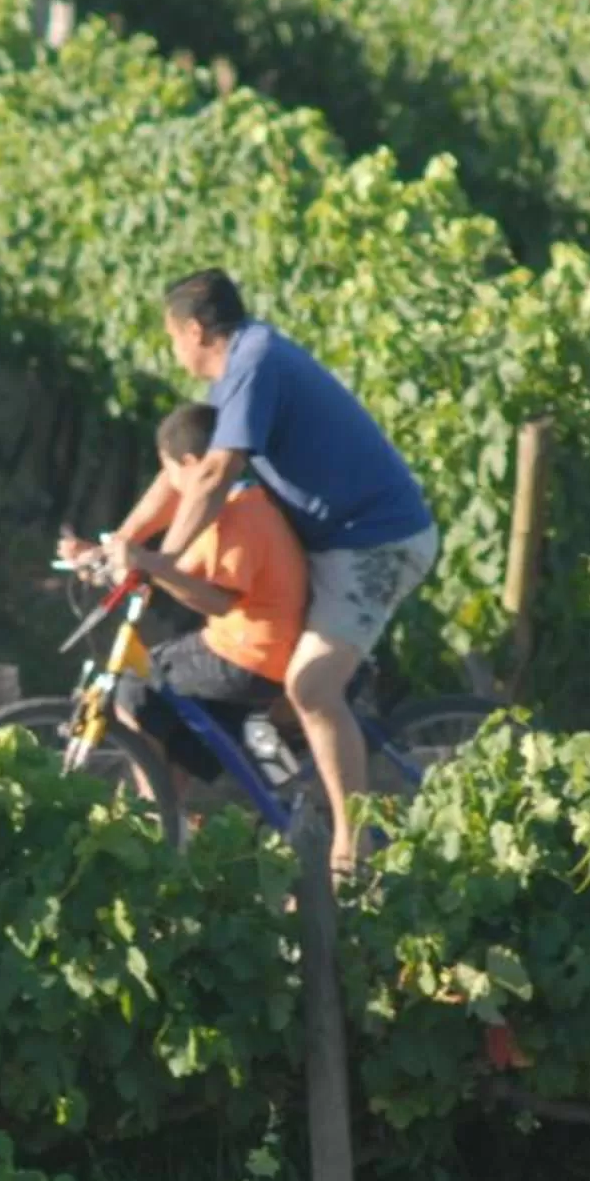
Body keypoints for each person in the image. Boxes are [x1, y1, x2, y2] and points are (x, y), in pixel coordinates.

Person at [101, 269, 438, 870]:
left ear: (194, 330)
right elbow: (182, 471)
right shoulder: (241, 369)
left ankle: (350, 850)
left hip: (375, 543)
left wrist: (162, 561)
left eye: (171, 336)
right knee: (277, 691)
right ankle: (289, 803)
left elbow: (213, 473)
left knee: (312, 687)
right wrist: (124, 541)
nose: (172, 349)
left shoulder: (255, 363)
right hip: (334, 542)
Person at [58, 404, 308, 822]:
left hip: (250, 656)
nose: (170, 485)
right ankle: (169, 820)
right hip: (247, 652)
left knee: (135, 686)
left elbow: (217, 600)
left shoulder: (242, 513)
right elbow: (175, 573)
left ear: (191, 464)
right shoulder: (228, 505)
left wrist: (153, 566)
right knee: (172, 725)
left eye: (170, 472)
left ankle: (154, 812)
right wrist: (104, 556)